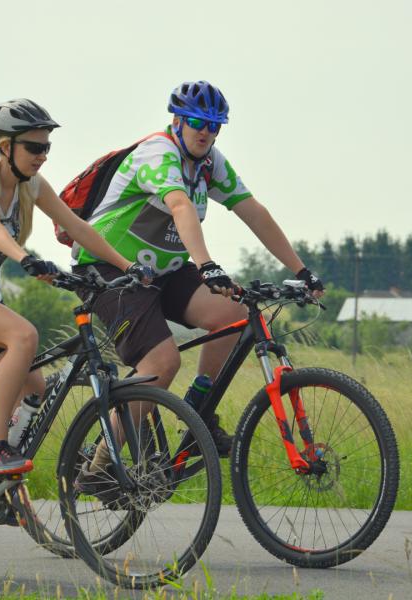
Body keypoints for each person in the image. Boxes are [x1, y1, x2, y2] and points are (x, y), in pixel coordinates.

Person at [71, 80, 324, 495]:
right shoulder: (158, 153)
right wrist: (207, 265)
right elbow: (180, 205)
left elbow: (253, 212)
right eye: (196, 122)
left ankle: (198, 408)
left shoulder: (209, 163)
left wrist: (302, 269)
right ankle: (98, 466)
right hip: (109, 268)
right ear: (177, 120)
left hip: (162, 270)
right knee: (162, 362)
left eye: (214, 125)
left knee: (233, 313)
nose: (205, 131)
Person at [0, 98, 152, 478]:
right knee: (23, 335)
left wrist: (128, 267)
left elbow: (78, 227)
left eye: (47, 147)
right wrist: (26, 259)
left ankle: (2, 484)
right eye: (34, 147)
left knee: (34, 388)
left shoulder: (32, 186)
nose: (42, 156)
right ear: (4, 146)